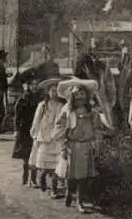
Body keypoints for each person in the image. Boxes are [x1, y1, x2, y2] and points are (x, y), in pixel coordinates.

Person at [52, 77, 103, 213]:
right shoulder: (67, 111)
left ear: (87, 96)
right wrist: (63, 142)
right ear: (72, 97)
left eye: (82, 94)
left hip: (86, 146)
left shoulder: (92, 112)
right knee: (70, 174)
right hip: (71, 146)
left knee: (83, 176)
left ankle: (80, 201)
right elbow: (59, 126)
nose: (80, 97)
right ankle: (69, 192)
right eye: (77, 94)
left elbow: (97, 129)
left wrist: (96, 144)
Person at [30, 78, 64, 198]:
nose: (54, 93)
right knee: (45, 165)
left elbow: (63, 121)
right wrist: (34, 134)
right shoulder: (43, 105)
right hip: (44, 137)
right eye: (52, 91)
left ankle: (54, 189)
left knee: (56, 166)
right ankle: (43, 177)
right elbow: (36, 120)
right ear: (48, 92)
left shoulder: (61, 105)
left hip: (56, 137)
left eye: (57, 91)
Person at [12, 76, 42, 186]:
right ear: (28, 86)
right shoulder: (23, 99)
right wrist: (16, 130)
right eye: (32, 84)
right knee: (25, 156)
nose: (35, 86)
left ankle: (33, 179)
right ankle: (25, 175)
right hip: (25, 129)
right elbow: (17, 117)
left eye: (36, 84)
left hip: (37, 129)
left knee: (35, 155)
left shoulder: (41, 99)